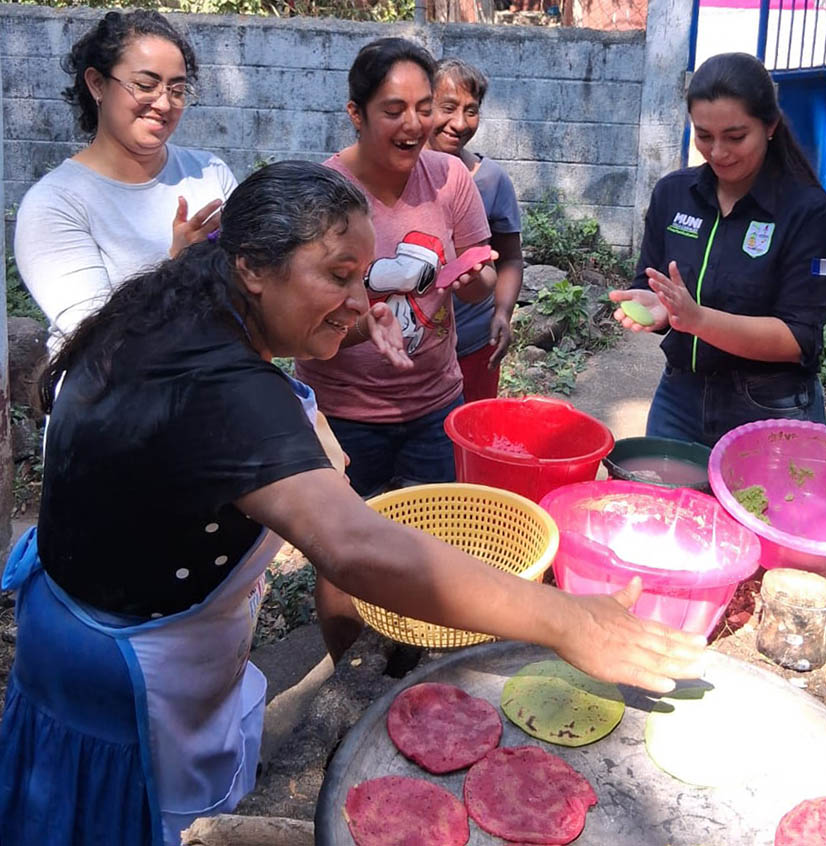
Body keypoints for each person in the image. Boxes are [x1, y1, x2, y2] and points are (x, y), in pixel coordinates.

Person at [0, 161, 706, 846]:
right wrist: (567, 619)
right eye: (337, 276)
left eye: (362, 279)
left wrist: (340, 316)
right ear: (251, 266)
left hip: (124, 629)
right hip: (122, 676)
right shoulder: (222, 388)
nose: (361, 302)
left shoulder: (181, 311)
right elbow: (356, 546)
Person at [295, 37, 498, 662]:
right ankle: (350, 677)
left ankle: (415, 667)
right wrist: (362, 325)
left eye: (424, 107)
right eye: (393, 110)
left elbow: (482, 276)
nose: (415, 124)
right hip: (344, 412)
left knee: (430, 550)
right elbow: (302, 318)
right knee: (344, 558)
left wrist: (475, 280)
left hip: (434, 406)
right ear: (356, 114)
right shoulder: (323, 193)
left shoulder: (450, 177)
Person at [610, 52, 826, 446]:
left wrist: (698, 319)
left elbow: (797, 339)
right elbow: (651, 282)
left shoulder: (808, 212)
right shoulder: (673, 194)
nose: (717, 152)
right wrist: (660, 308)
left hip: (772, 406)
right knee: (660, 490)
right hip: (679, 399)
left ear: (770, 125)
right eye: (704, 135)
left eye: (735, 137)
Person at [14, 10, 236, 352]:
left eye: (177, 90)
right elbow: (99, 338)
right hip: (118, 384)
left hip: (217, 376)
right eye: (145, 86)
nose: (164, 103)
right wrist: (181, 268)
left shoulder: (209, 172)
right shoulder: (54, 204)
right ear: (97, 84)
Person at [427, 57, 525, 401]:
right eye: (447, 108)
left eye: (471, 110)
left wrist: (503, 312)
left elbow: (510, 258)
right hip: (408, 350)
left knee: (470, 429)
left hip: (472, 345)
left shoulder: (491, 179)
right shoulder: (397, 176)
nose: (459, 123)